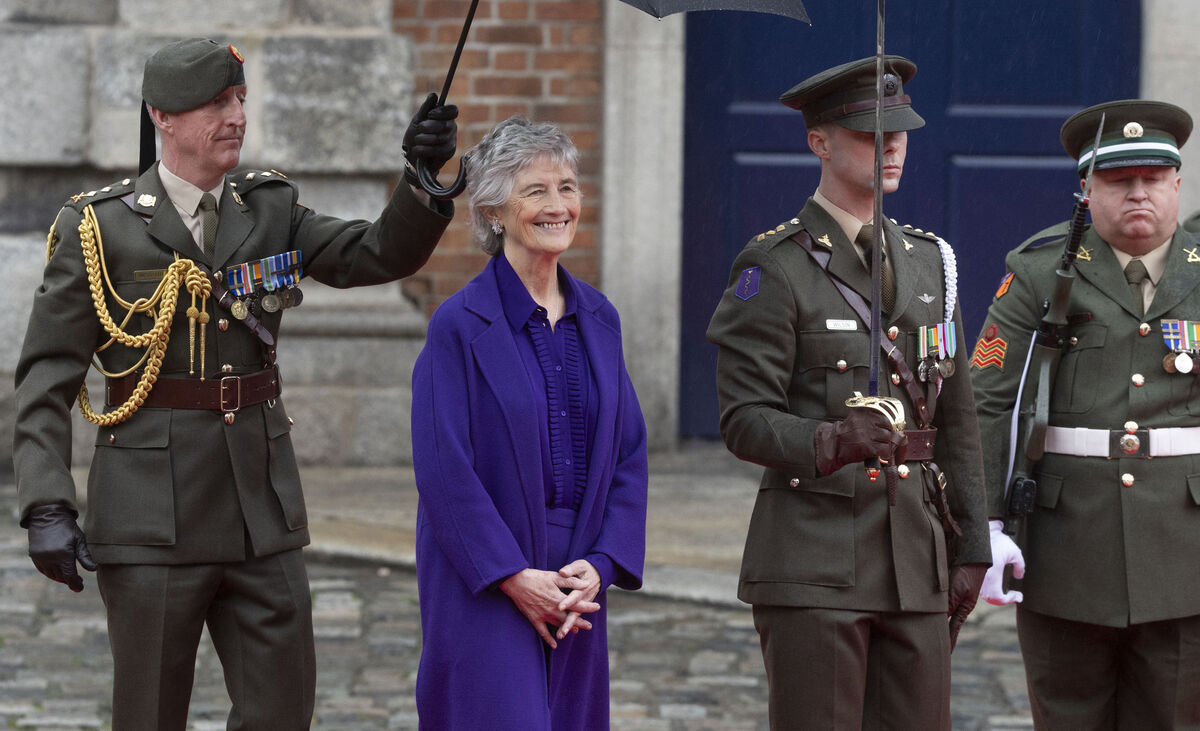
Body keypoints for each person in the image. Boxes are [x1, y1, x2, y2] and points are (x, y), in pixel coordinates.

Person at [13, 38, 457, 730]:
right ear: (162, 115)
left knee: (282, 714)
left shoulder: (269, 209)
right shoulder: (98, 229)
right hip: (149, 518)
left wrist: (420, 177)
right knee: (149, 716)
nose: (236, 116)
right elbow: (46, 377)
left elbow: (375, 252)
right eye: (217, 102)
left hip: (261, 511)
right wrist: (46, 503)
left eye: (241, 99)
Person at [705, 56, 991, 730]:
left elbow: (956, 414)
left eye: (900, 131)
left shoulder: (929, 261)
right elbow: (744, 420)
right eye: (869, 133)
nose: (891, 146)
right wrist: (831, 439)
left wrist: (972, 542)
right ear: (819, 142)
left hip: (915, 555)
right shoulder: (773, 266)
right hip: (814, 557)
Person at [410, 116, 648, 730]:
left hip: (575, 576)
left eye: (567, 187)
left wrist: (601, 563)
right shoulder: (458, 325)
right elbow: (443, 471)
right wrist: (513, 576)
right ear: (493, 211)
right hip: (485, 577)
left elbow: (628, 456)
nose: (557, 205)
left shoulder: (601, 319)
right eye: (535, 190)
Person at [973, 100, 1200, 728]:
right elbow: (988, 399)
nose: (1138, 195)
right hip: (1065, 545)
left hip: (1187, 547)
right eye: (1118, 181)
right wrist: (985, 522)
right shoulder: (1041, 271)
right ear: (1086, 188)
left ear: (1177, 184)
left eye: (1153, 180)